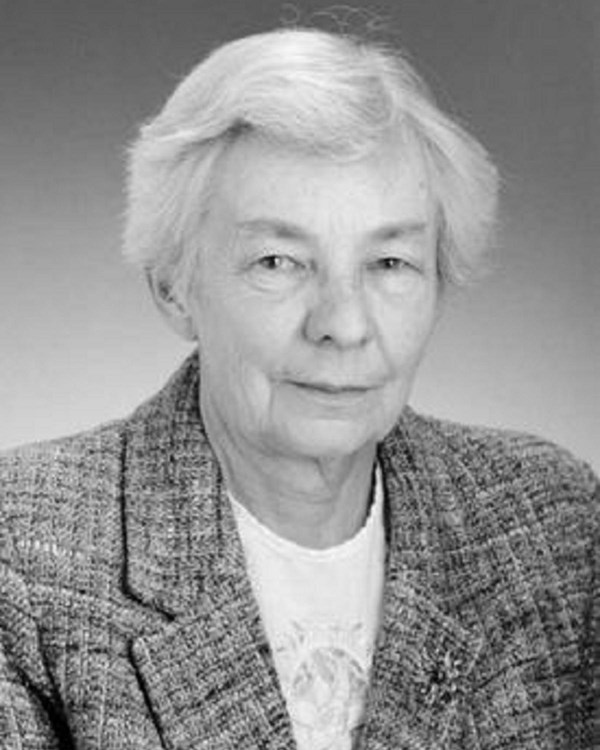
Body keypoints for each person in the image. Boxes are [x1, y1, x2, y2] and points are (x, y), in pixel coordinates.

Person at [0, 25, 597, 750]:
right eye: (280, 261)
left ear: (442, 280)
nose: (343, 325)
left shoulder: (553, 526)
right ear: (172, 284)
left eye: (389, 263)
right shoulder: (23, 556)